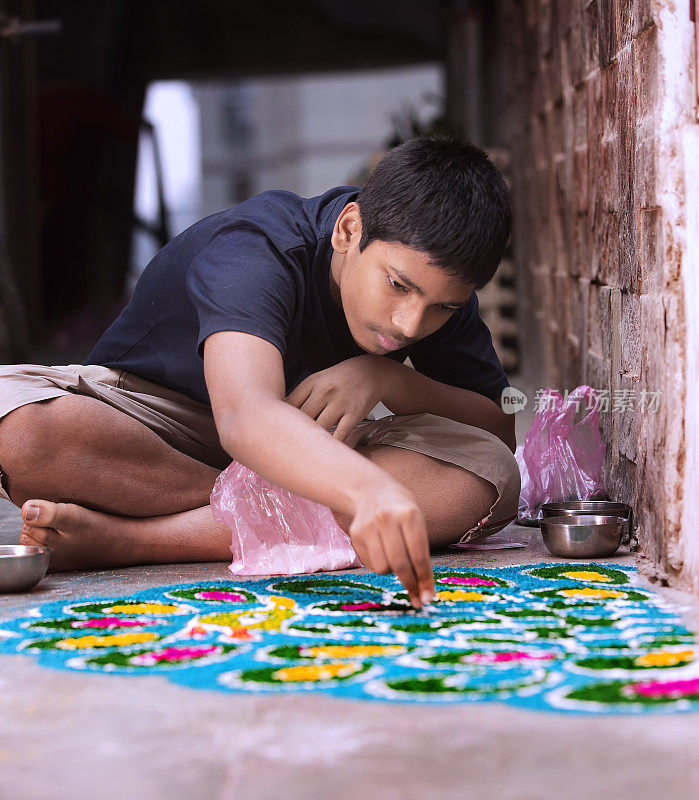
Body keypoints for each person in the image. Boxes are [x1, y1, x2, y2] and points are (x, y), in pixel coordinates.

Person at [0, 135, 520, 609]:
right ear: (349, 228)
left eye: (442, 308)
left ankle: (132, 540)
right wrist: (368, 492)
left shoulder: (437, 290)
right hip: (154, 427)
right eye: (397, 286)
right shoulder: (257, 248)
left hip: (304, 445)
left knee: (488, 473)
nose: (410, 323)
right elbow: (246, 415)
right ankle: (265, 516)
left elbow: (496, 428)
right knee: (23, 436)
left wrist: (389, 379)